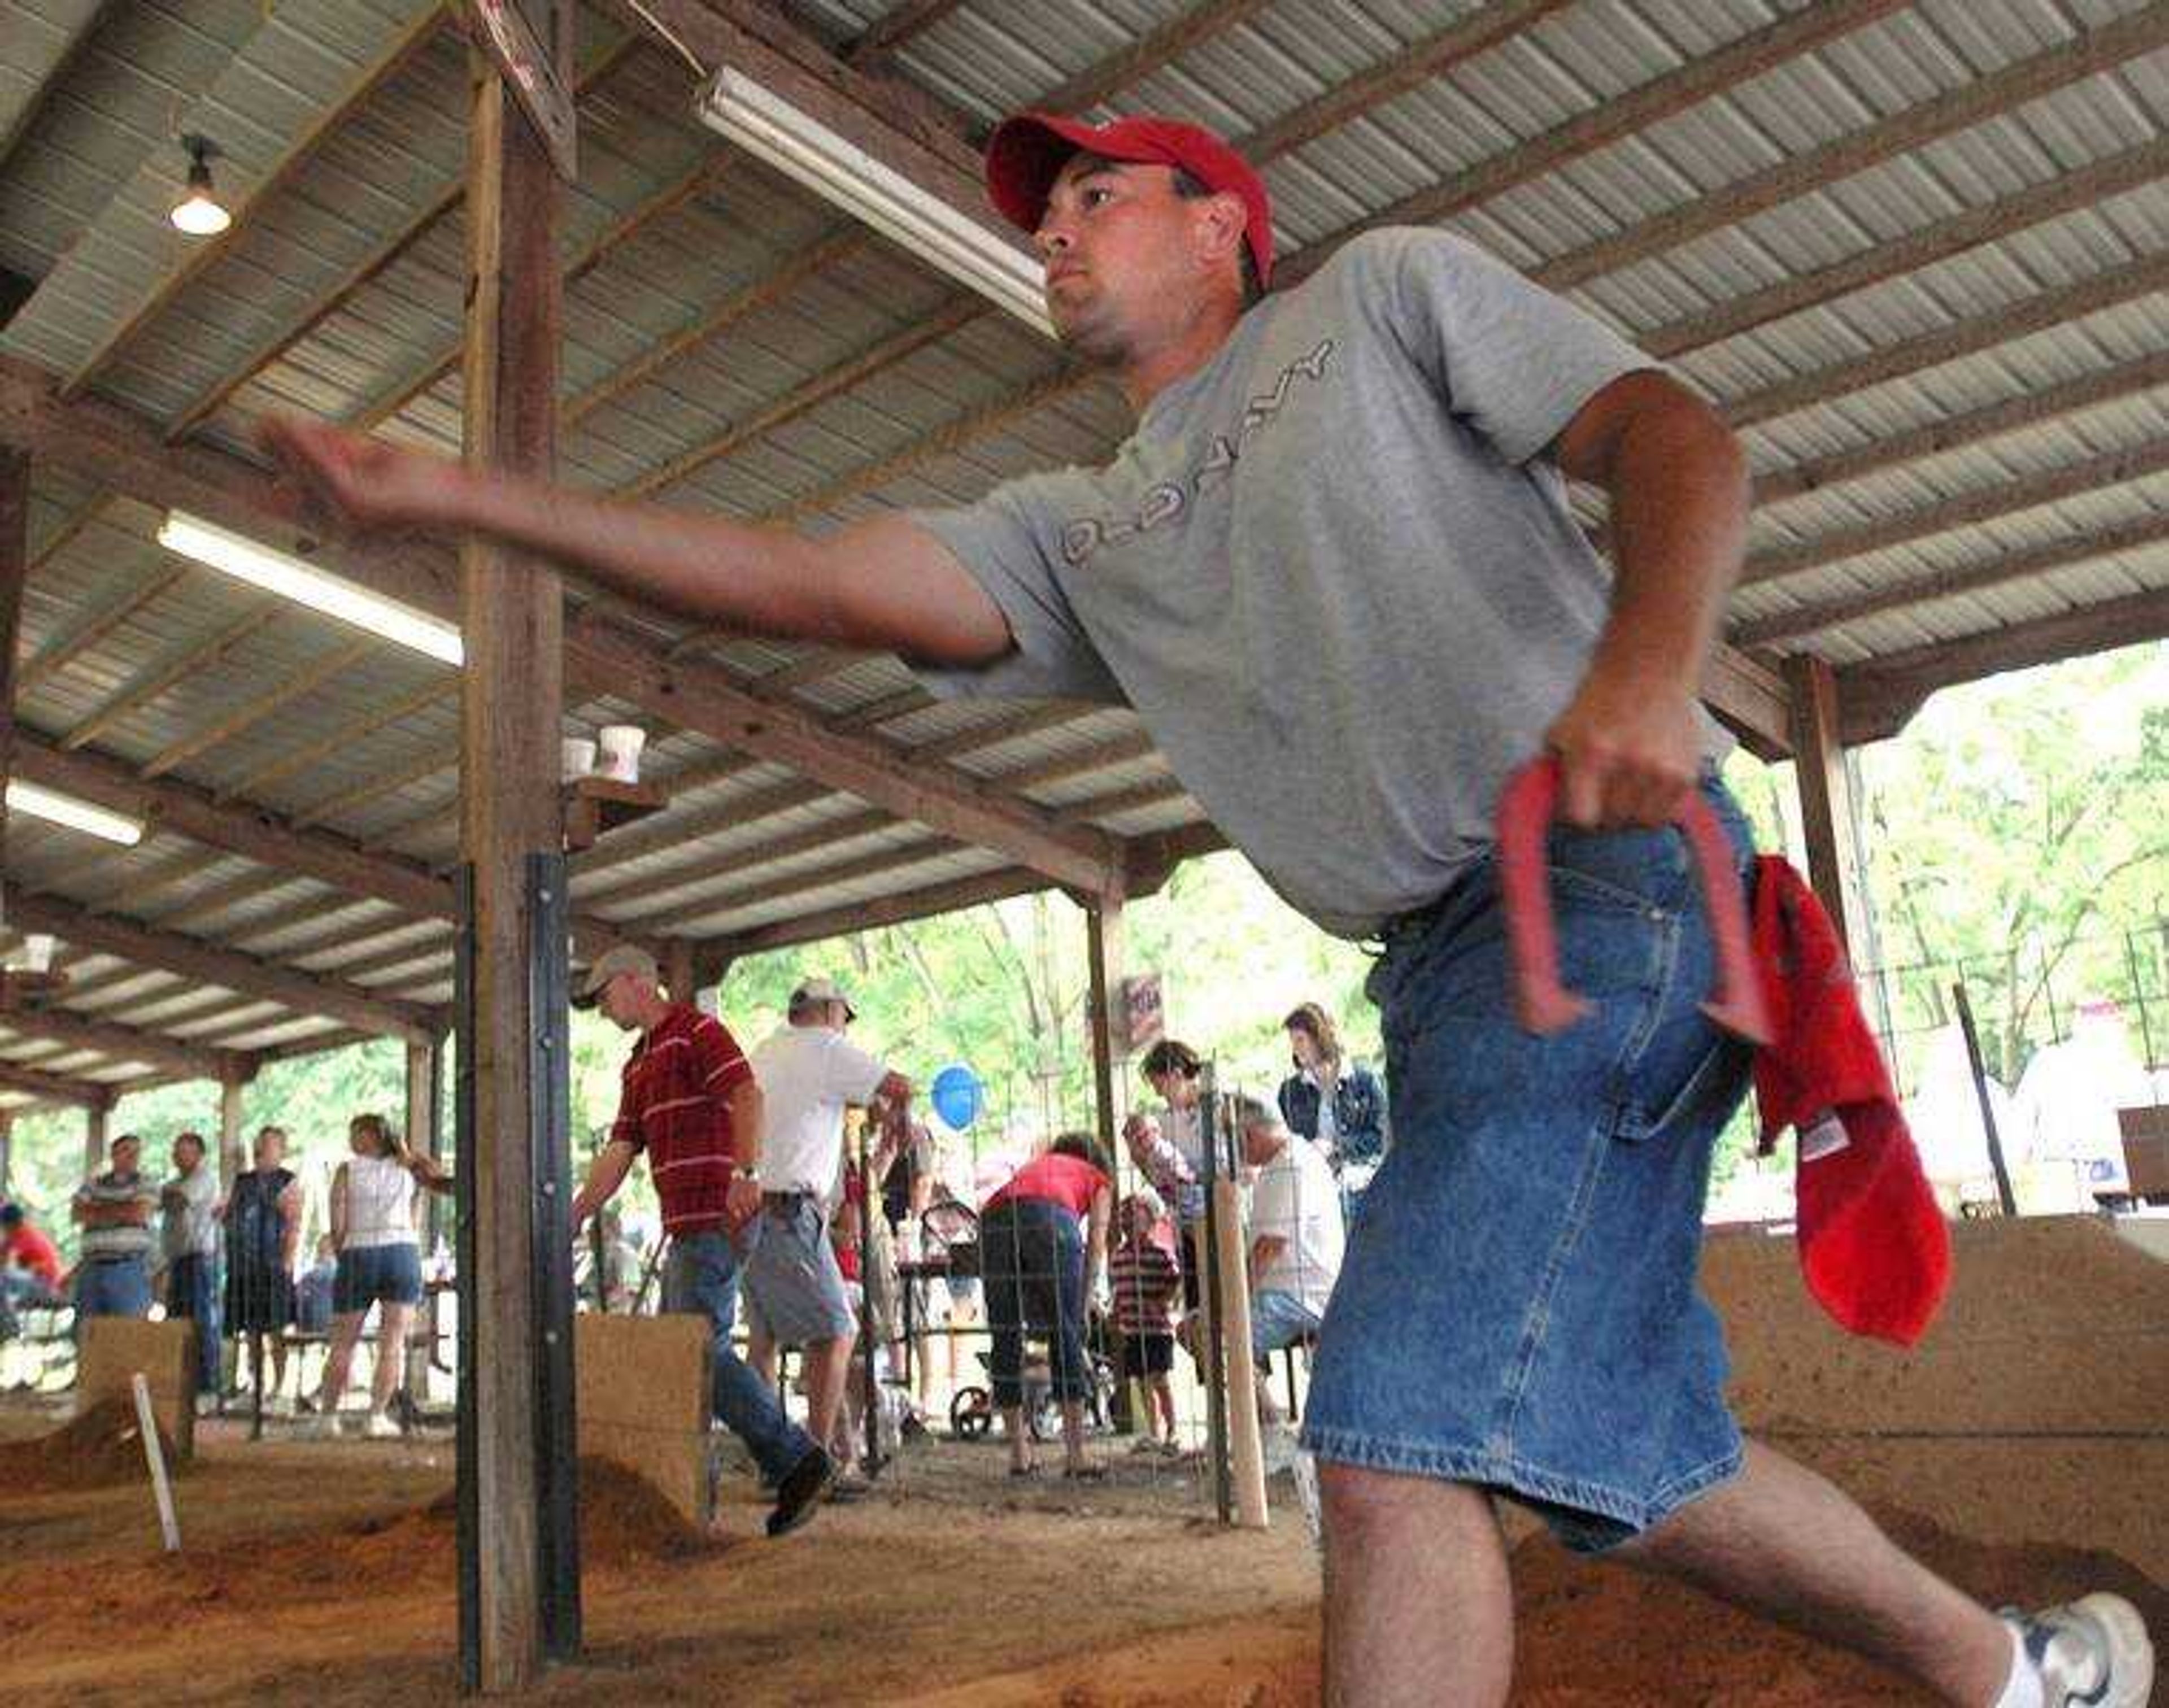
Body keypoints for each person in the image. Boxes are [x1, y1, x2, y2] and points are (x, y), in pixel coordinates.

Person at [261, 104, 2151, 1708]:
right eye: (1047, 215)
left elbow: (1679, 438)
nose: (1060, 233)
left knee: (1395, 1431)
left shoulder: (1378, 300)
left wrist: (1655, 657)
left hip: (1601, 890)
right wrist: (462, 497)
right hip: (1445, 962)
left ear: (1224, 223)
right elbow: (815, 578)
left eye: (1101, 195)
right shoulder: (1084, 528)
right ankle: (2022, 1671)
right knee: (1617, 1455)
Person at [567, 944, 834, 1537]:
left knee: (692, 1353)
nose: (602, 1009)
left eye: (604, 995)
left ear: (637, 982)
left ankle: (794, 1457)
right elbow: (621, 1148)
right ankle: (714, 1481)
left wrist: (744, 1173)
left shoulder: (697, 1033)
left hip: (716, 1212)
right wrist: (581, 1209)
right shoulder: (639, 1064)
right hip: (688, 1222)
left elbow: (747, 1094)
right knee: (686, 1353)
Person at [742, 976, 912, 1475]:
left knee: (764, 1338)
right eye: (844, 1016)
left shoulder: (765, 1051)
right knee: (837, 1332)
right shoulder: (827, 1049)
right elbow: (899, 1084)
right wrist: (897, 1113)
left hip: (751, 1207)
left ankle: (778, 1457)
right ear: (830, 1011)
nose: (845, 1026)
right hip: (788, 1210)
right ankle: (809, 1460)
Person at [978, 1132, 1112, 1479]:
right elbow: (1097, 1242)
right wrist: (1083, 1302)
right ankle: (1076, 1454)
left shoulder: (1035, 1166)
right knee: (1065, 1334)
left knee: (1005, 1333)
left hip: (993, 1217)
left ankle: (1019, 1454)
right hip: (1049, 1221)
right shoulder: (1098, 1179)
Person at [310, 1112, 448, 1439]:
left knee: (343, 1341)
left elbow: (338, 1224)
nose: (351, 1140)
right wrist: (410, 1156)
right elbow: (430, 1190)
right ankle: (376, 1415)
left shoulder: (348, 1170)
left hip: (360, 1251)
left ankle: (329, 1417)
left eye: (355, 1133)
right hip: (402, 1251)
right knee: (393, 1342)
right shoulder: (408, 1169)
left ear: (371, 1136)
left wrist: (345, 1252)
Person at [1235, 1096, 1344, 1435]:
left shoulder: (1291, 1165)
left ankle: (1270, 1428)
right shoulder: (1285, 1161)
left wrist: (1232, 1304)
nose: (1236, 1150)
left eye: (1236, 1139)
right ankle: (1268, 1421)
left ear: (1251, 1134)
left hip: (1302, 1296)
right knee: (1206, 1326)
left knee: (1218, 1335)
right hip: (1289, 1292)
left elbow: (1269, 1248)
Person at [1122, 1039, 1209, 1310]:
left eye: (1161, 1086)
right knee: (1197, 1299)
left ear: (1177, 1075)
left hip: (1218, 1217)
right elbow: (1159, 1175)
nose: (1161, 1096)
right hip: (1185, 1221)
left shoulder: (1215, 1109)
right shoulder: (1164, 1123)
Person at [1277, 1003, 1388, 1213]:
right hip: (1312, 1184)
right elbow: (1285, 1147)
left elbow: (1380, 1138)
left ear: (1320, 1037)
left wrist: (1336, 1146)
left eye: (1300, 1040)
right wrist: (1310, 1152)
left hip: (1359, 1181)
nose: (1295, 1048)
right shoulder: (1290, 1092)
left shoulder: (1364, 1081)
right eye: (1292, 1042)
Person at [223, 1125, 303, 1411]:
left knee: (276, 1328)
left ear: (281, 1150)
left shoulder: (287, 1181)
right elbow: (230, 1214)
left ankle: (280, 1388)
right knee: (250, 1329)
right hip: (242, 1266)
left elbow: (294, 1223)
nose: (262, 1149)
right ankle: (256, 1387)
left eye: (269, 1145)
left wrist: (287, 1261)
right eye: (260, 1143)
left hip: (273, 1264)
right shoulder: (243, 1180)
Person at [1107, 1186, 1182, 1452]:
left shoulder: (1161, 1255)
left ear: (1150, 1218)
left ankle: (1173, 1431)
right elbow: (1119, 1289)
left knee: (1159, 1379)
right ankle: (1153, 1432)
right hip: (1132, 1330)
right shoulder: (1118, 1257)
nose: (1125, 1217)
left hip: (1157, 1331)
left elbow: (1176, 1282)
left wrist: (1163, 1301)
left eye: (1133, 1210)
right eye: (1122, 1213)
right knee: (1141, 1381)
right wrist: (1116, 1312)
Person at [159, 1130, 223, 1403]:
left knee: (200, 1321)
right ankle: (181, 1381)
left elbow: (178, 1200)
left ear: (198, 1154)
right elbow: (162, 1200)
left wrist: (166, 1196)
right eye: (175, 1150)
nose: (177, 1156)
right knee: (176, 1319)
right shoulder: (175, 1182)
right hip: (178, 1258)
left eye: (183, 1151)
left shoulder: (205, 1177)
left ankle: (207, 1386)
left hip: (200, 1258)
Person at [71, 1132, 158, 1328]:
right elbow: (77, 1213)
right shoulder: (93, 1183)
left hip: (128, 1267)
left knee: (129, 1331)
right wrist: (122, 1209)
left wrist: (96, 1210)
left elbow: (139, 1213)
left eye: (137, 1152)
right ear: (114, 1154)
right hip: (92, 1267)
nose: (133, 1156)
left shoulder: (146, 1182)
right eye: (126, 1150)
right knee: (87, 1333)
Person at [0, 1201, 65, 1345]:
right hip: (32, 1281)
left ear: (11, 1224)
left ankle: (10, 1327)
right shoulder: (13, 1236)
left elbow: (12, 1265)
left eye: (3, 1225)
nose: (3, 1229)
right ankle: (7, 1323)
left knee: (3, 1278)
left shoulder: (27, 1236)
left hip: (46, 1285)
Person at [295, 1233, 338, 1336]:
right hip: (336, 1323)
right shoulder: (342, 1269)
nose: (318, 1253)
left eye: (321, 1250)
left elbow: (299, 1286)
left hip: (317, 1323)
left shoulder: (323, 1270)